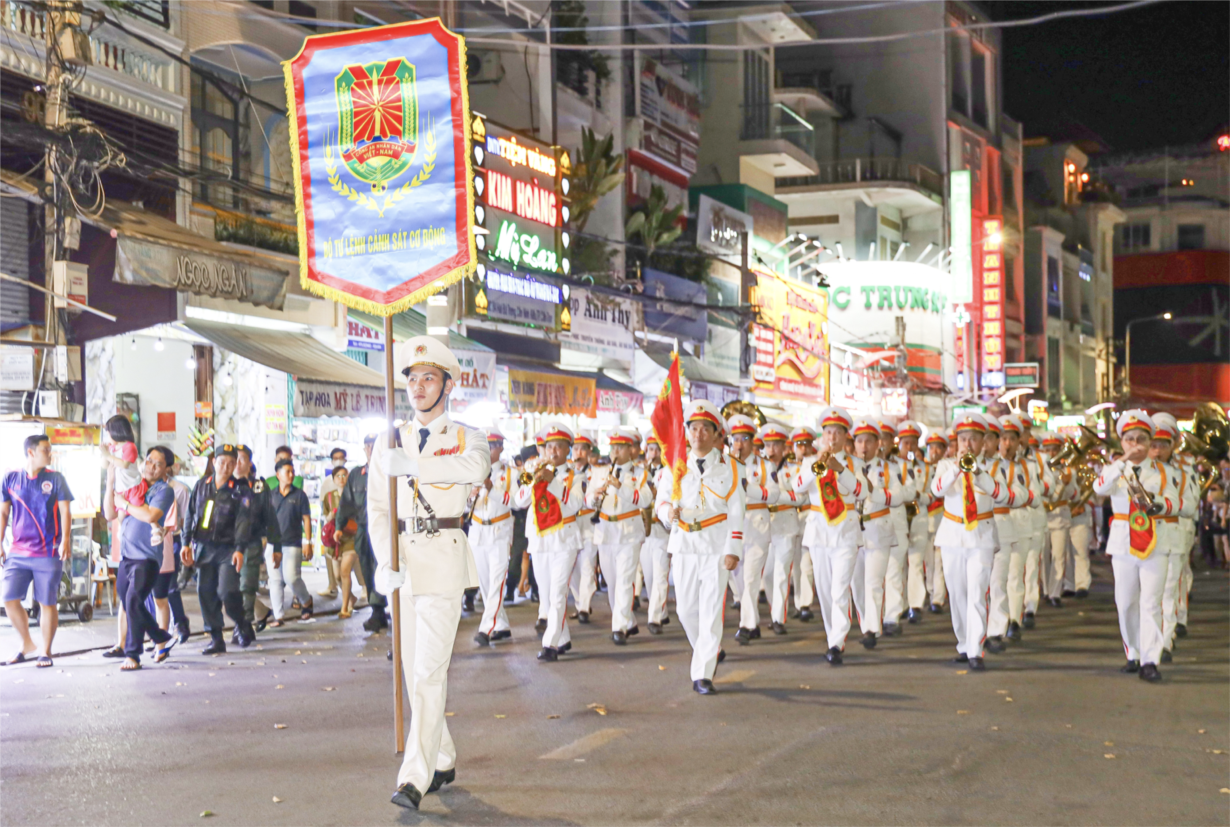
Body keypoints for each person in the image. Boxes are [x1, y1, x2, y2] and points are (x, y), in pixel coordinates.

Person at [368, 336, 491, 811]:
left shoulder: (466, 436)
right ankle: (442, 755)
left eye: (428, 378)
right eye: (413, 379)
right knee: (413, 669)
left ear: (447, 386)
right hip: (404, 565)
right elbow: (379, 507)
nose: (418, 387)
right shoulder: (389, 438)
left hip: (442, 560)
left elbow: (475, 470)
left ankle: (414, 777)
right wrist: (384, 560)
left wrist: (414, 463)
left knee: (427, 673)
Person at [656, 400, 744, 695]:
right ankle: (709, 649)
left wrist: (734, 547)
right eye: (693, 428)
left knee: (710, 611)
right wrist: (667, 512)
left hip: (716, 546)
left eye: (705, 428)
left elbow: (737, 509)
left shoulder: (731, 467)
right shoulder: (675, 465)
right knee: (685, 610)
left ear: (717, 434)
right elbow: (661, 501)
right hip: (684, 543)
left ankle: (703, 673)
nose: (698, 433)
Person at [1092, 410, 1177, 682]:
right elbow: (1099, 488)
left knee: (1151, 603)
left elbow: (1174, 501)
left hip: (1156, 540)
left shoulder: (1165, 471)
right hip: (1123, 543)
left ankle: (1150, 660)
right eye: (1129, 439)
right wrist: (1121, 462)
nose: (1136, 444)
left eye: (1141, 438)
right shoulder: (1116, 471)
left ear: (1151, 441)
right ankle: (1133, 653)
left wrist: (1159, 504)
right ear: (1122, 442)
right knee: (1126, 603)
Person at [931, 412, 1010, 670]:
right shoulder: (945, 466)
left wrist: (978, 473)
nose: (968, 445)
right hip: (953, 535)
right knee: (957, 594)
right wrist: (957, 468)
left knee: (977, 593)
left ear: (984, 442)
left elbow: (1002, 495)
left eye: (973, 439)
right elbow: (937, 490)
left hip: (982, 537)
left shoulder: (994, 467)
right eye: (963, 439)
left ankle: (976, 649)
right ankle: (964, 644)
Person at [793, 408, 865, 665]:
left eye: (837, 433)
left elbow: (862, 491)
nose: (832, 437)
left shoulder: (854, 463)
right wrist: (816, 467)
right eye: (827, 432)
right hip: (819, 532)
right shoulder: (808, 462)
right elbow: (797, 488)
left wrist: (840, 469)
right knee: (824, 590)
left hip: (845, 531)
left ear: (846, 436)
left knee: (839, 589)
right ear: (822, 436)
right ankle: (832, 634)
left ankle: (837, 642)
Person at [1, 434, 72, 667]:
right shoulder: (10, 479)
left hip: (48, 552)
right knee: (9, 598)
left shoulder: (56, 479)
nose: (50, 454)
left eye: (50, 450)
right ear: (31, 452)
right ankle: (27, 644)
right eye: (46, 450)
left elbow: (65, 512)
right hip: (18, 551)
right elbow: (3, 514)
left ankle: (46, 651)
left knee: (47, 602)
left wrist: (66, 540)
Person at [104, 447, 176, 671]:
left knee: (135, 601)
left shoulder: (163, 490)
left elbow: (150, 515)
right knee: (128, 602)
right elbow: (109, 513)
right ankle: (161, 637)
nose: (151, 466)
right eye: (149, 461)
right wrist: (110, 483)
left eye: (158, 464)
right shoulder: (134, 486)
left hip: (147, 557)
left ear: (166, 469)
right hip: (126, 555)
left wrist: (125, 504)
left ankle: (133, 654)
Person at [516, 422, 583, 660]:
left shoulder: (576, 475)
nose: (553, 452)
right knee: (546, 594)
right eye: (549, 447)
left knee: (557, 593)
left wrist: (552, 481)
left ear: (568, 451)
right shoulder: (533, 469)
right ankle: (562, 638)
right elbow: (519, 499)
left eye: (559, 447)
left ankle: (550, 644)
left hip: (565, 539)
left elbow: (574, 504)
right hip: (539, 540)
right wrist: (531, 476)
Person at [182, 444, 256, 655]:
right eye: (222, 462)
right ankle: (216, 638)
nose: (226, 467)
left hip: (228, 548)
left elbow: (244, 522)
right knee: (205, 591)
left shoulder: (241, 490)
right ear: (214, 462)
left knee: (226, 591)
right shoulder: (201, 485)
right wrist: (186, 542)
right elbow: (190, 514)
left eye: (231, 463)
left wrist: (240, 549)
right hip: (204, 547)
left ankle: (241, 623)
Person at [589, 427, 653, 645]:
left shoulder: (641, 474)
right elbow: (587, 498)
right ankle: (628, 621)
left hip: (629, 531)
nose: (615, 451)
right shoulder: (599, 472)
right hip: (605, 531)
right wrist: (594, 499)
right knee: (613, 581)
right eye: (613, 447)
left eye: (620, 447)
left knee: (626, 580)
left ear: (630, 450)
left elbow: (644, 499)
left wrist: (621, 487)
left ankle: (618, 627)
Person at [847, 418, 902, 650]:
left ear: (878, 443)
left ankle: (871, 629)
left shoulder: (889, 468)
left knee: (873, 582)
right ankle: (865, 623)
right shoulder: (846, 466)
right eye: (859, 441)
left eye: (868, 441)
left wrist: (874, 492)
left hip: (878, 527)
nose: (863, 446)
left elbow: (898, 497)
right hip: (851, 529)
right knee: (856, 583)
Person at [466, 429, 520, 646]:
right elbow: (463, 507)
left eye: (492, 446)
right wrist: (469, 499)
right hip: (478, 531)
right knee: (486, 583)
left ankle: (486, 627)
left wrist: (493, 490)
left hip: (499, 531)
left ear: (500, 447)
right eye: (484, 446)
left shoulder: (512, 474)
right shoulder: (471, 473)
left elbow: (517, 502)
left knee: (497, 581)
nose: (488, 450)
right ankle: (501, 625)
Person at [1149, 412, 1195, 663]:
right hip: (1144, 538)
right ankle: (1152, 641)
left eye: (1163, 444)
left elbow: (1191, 505)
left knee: (1169, 590)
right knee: (1150, 595)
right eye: (1153, 444)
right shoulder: (1140, 469)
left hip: (1174, 533)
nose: (1157, 450)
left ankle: (1165, 642)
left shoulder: (1185, 469)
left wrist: (1167, 506)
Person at [728, 415, 778, 643]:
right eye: (736, 439)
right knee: (739, 580)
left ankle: (746, 625)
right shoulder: (725, 465)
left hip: (757, 528)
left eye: (744, 439)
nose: (739, 444)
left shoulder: (765, 466)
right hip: (734, 530)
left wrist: (751, 488)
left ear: (752, 441)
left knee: (750, 579)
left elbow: (775, 494)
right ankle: (753, 623)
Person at [338, 434, 387, 633]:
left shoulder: (388, 471)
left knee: (382, 567)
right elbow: (346, 502)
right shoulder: (357, 475)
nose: (370, 449)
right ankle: (378, 610)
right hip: (364, 530)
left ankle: (381, 609)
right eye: (367, 445)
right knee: (367, 568)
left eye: (374, 445)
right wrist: (339, 527)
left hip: (385, 529)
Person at [761, 424, 802, 632]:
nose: (771, 450)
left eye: (775, 445)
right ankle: (773, 610)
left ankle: (778, 618)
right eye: (767, 445)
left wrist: (775, 495)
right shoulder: (760, 469)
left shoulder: (794, 469)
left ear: (784, 447)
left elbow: (800, 497)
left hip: (787, 524)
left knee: (781, 573)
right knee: (767, 574)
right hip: (766, 525)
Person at [236, 445, 279, 635]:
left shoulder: (258, 486)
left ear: (249, 463)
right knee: (228, 589)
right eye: (234, 459)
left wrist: (275, 544)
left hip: (251, 542)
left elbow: (269, 516)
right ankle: (260, 612)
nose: (237, 464)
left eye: (242, 459)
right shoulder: (223, 484)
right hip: (226, 545)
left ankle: (244, 628)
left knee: (246, 586)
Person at [268, 458, 314, 623]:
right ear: (278, 475)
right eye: (287, 472)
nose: (291, 475)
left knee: (291, 577)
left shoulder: (300, 495)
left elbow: (306, 519)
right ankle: (278, 616)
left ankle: (306, 601)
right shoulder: (271, 495)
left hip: (292, 543)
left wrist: (308, 542)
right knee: (275, 580)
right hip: (273, 544)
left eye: (292, 471)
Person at [640, 434, 671, 634]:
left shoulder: (670, 472)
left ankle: (655, 619)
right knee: (650, 577)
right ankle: (663, 611)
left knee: (660, 574)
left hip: (662, 529)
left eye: (658, 449)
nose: (655, 453)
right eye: (651, 449)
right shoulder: (639, 472)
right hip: (644, 530)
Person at [567, 432, 598, 623]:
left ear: (588, 452)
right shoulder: (565, 473)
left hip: (588, 523)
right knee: (572, 569)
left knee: (587, 566)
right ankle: (579, 603)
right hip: (570, 525)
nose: (578, 452)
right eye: (575, 448)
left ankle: (585, 607)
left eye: (582, 449)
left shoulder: (596, 473)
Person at [923, 430, 949, 613]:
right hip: (924, 519)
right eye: (932, 448)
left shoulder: (948, 467)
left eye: (939, 448)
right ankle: (931, 591)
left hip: (942, 517)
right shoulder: (921, 468)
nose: (935, 451)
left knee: (940, 561)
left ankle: (938, 599)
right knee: (928, 561)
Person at [318, 447, 348, 598]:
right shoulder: (327, 483)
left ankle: (362, 588)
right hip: (332, 528)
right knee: (331, 558)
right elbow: (324, 507)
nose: (338, 460)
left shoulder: (349, 479)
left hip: (349, 529)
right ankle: (333, 586)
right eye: (335, 458)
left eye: (341, 457)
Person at [101, 415, 146, 514]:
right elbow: (104, 465)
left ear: (116, 432)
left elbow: (124, 464)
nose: (108, 438)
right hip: (121, 488)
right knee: (121, 516)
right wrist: (105, 454)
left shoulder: (130, 446)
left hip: (133, 486)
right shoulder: (113, 448)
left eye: (109, 434)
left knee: (136, 511)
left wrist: (108, 455)